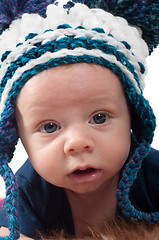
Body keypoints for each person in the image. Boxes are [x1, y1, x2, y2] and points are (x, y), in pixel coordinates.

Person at [0, 0, 159, 239]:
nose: (77, 142)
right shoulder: (30, 191)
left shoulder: (152, 173)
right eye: (50, 126)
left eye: (99, 118)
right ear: (18, 137)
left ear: (133, 118)